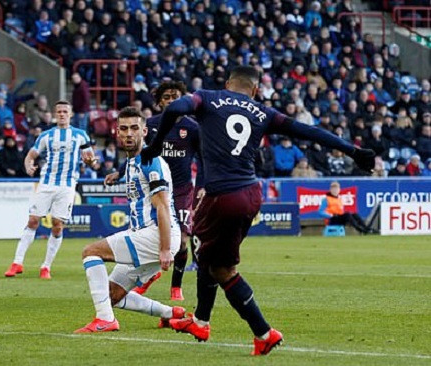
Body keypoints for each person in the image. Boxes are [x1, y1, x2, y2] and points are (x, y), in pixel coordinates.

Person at [141, 66, 376, 355]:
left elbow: (176, 107)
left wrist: (153, 146)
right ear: (254, 90)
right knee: (218, 263)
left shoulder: (207, 98)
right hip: (251, 194)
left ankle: (229, 325)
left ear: (228, 83)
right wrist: (353, 151)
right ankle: (222, 325)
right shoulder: (263, 112)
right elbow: (310, 131)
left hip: (221, 195)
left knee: (212, 261)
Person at [75, 106, 184, 333]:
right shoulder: (134, 162)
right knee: (112, 294)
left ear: (144, 132)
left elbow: (162, 205)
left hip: (156, 234)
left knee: (91, 252)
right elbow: (128, 170)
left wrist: (165, 248)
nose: (128, 133)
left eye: (134, 128)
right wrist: (115, 174)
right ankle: (170, 314)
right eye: (123, 128)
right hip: (147, 235)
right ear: (116, 132)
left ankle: (105, 320)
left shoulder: (151, 160)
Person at [105, 80, 201, 301]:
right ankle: (150, 274)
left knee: (183, 240)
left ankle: (176, 286)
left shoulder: (193, 128)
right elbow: (138, 151)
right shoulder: (152, 125)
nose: (171, 100)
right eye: (166, 97)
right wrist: (120, 172)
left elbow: (204, 159)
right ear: (159, 102)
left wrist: (203, 186)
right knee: (152, 236)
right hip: (155, 188)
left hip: (182, 189)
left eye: (175, 96)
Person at [4, 100, 96, 279]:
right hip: (46, 183)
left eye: (64, 111)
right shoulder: (46, 135)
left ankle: (46, 266)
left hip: (67, 185)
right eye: (59, 111)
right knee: (32, 220)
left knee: (57, 225)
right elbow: (31, 155)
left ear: (70, 115)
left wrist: (90, 162)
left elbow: (91, 158)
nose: (61, 114)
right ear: (55, 114)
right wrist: (28, 166)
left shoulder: (80, 135)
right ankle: (17, 263)